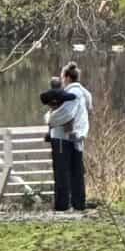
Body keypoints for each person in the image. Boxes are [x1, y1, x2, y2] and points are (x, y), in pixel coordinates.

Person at [46, 61, 92, 211]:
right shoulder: (85, 93)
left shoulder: (72, 94)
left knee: (62, 171)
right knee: (76, 170)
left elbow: (64, 114)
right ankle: (79, 202)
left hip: (62, 137)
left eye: (62, 76)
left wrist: (49, 118)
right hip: (77, 137)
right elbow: (86, 112)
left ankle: (62, 204)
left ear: (66, 77)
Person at [40, 81, 77, 212]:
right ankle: (64, 202)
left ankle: (62, 204)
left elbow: (50, 119)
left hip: (59, 139)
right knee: (63, 171)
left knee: (60, 172)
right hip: (62, 138)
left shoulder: (55, 111)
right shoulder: (66, 101)